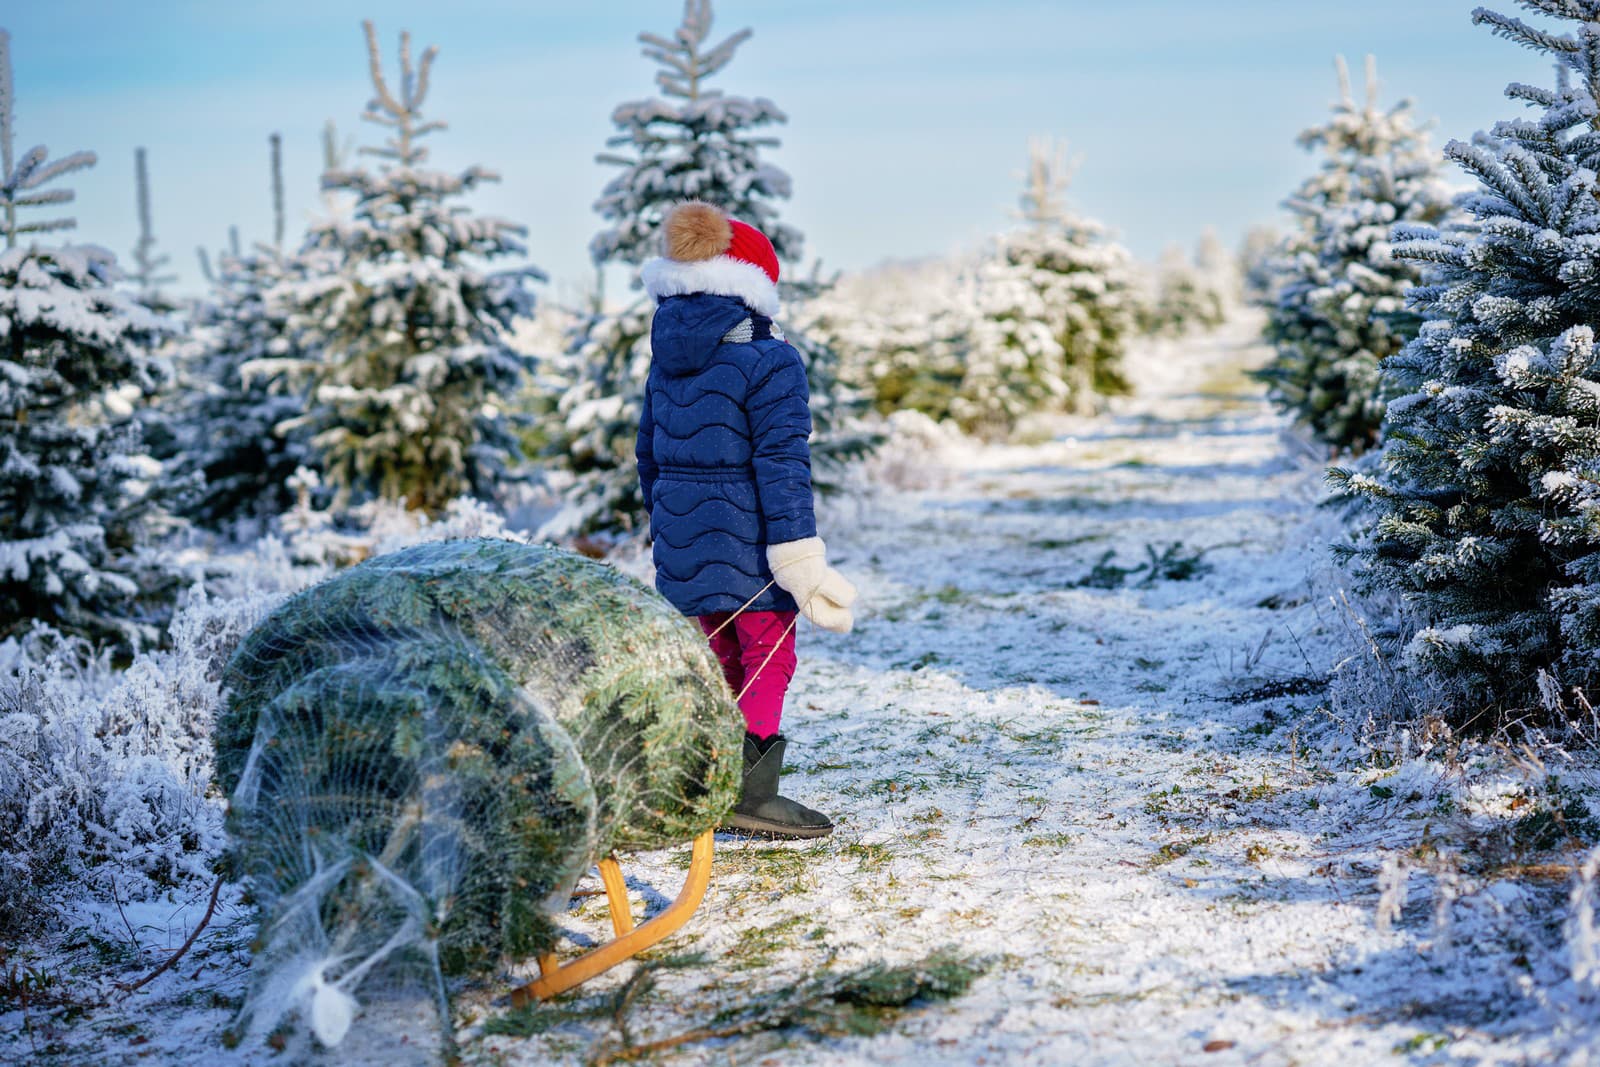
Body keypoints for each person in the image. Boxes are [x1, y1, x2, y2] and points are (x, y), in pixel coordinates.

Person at [636, 200, 856, 839]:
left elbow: (647, 453)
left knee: (714, 653)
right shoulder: (771, 358)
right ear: (756, 285)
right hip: (750, 540)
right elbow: (782, 460)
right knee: (767, 654)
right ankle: (752, 795)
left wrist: (669, 523)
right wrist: (797, 551)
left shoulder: (665, 354)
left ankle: (701, 781)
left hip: (679, 537)